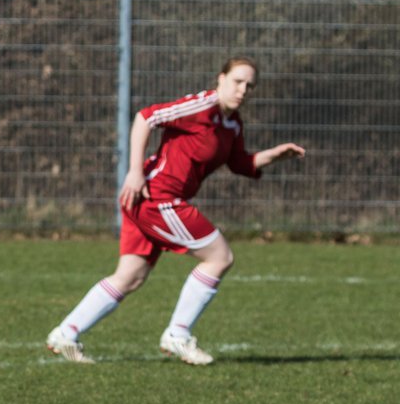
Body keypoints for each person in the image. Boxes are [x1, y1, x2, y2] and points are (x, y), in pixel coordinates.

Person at [47, 57, 305, 365]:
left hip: (151, 202)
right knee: (220, 257)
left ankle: (66, 333)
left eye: (250, 86)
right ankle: (177, 335)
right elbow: (146, 117)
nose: (243, 90)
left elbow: (240, 164)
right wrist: (133, 171)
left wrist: (274, 156)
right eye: (237, 81)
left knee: (130, 277)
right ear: (220, 78)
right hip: (156, 198)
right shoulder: (200, 107)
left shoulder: (232, 124)